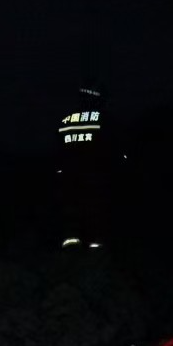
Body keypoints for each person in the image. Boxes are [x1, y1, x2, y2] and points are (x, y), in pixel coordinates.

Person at [55, 85, 108, 249]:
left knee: (72, 206)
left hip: (69, 173)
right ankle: (94, 241)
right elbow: (113, 147)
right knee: (93, 206)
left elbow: (57, 149)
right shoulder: (103, 119)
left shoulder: (67, 119)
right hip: (94, 172)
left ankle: (71, 239)